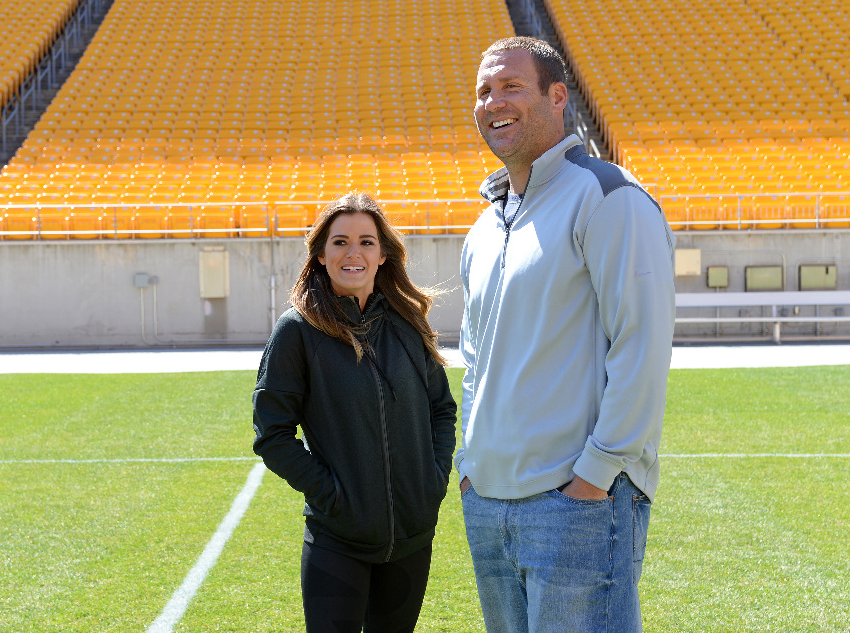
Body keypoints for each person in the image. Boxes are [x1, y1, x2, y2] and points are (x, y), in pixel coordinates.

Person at [456, 36, 676, 632]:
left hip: (575, 504)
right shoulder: (484, 226)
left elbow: (643, 345)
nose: (492, 101)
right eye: (483, 91)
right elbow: (473, 357)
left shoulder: (608, 196)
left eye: (510, 86)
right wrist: (468, 466)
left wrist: (596, 476)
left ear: (558, 97)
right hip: (489, 501)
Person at [253, 192, 457, 632]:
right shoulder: (297, 330)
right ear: (321, 255)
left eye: (366, 242)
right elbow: (272, 434)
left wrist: (432, 481)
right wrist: (334, 497)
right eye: (340, 241)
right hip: (337, 541)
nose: (353, 253)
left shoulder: (407, 323)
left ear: (383, 255)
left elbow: (441, 409)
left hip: (412, 540)